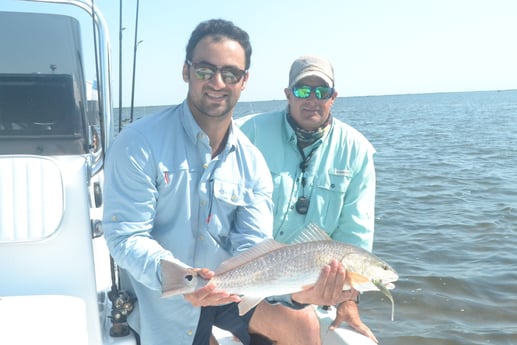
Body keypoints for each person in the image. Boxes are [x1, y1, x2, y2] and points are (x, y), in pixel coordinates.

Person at [103, 20, 354, 345]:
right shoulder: (138, 142)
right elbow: (125, 235)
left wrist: (299, 294)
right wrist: (186, 280)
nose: (218, 83)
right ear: (186, 72)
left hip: (231, 292)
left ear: (244, 80)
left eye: (231, 73)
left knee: (304, 324)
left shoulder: (252, 163)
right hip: (163, 300)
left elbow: (252, 245)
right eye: (206, 70)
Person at [237, 55, 378, 343]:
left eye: (321, 92)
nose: (312, 99)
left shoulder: (357, 151)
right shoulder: (246, 133)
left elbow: (354, 238)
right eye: (302, 91)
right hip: (247, 279)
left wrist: (348, 301)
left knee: (306, 326)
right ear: (288, 95)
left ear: (333, 97)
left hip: (308, 289)